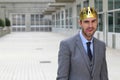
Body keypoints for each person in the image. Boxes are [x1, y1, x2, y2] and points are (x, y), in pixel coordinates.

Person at [56, 7, 109, 80]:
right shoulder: (67, 45)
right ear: (80, 23)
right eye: (86, 22)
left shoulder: (101, 46)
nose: (90, 26)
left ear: (97, 22)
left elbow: (104, 76)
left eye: (93, 21)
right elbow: (62, 77)